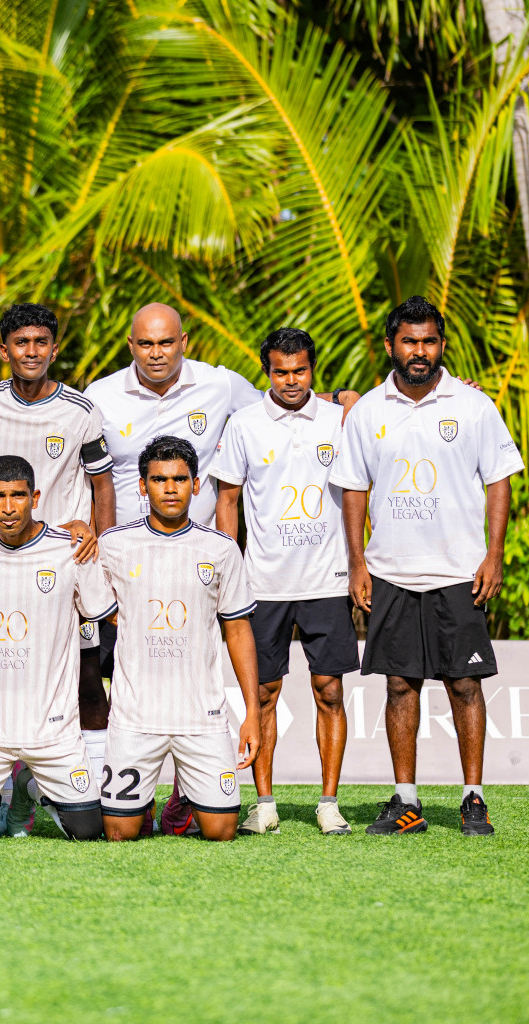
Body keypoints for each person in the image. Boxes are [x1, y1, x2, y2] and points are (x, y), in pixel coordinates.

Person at [83, 301, 355, 833]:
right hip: (122, 563)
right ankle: (97, 786)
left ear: (185, 342)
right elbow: (85, 470)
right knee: (109, 677)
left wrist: (342, 398)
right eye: (145, 344)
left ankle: (189, 793)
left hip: (198, 565)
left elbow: (286, 399)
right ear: (131, 346)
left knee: (194, 676)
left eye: (166, 343)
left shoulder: (223, 385)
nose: (157, 353)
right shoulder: (99, 396)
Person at [332, 296, 523, 837]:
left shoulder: (472, 406)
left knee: (465, 685)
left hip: (459, 571)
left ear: (442, 345)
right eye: (410, 341)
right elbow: (353, 490)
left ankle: (473, 798)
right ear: (391, 345)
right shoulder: (368, 410)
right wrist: (357, 564)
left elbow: (499, 479)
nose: (420, 351)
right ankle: (406, 800)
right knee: (399, 686)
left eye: (430, 341)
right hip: (391, 571)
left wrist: (494, 553)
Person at [0, 301, 115, 833]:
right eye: (20, 343)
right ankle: (8, 793)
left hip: (64, 565)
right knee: (2, 674)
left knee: (85, 681)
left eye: (40, 343)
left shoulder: (79, 410)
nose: (31, 352)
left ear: (54, 349)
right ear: (5, 349)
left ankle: (83, 789)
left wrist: (94, 535)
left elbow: (102, 484)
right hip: (3, 565)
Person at [211, 327, 357, 837]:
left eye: (299, 371)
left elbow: (362, 487)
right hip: (262, 584)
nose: (291, 381)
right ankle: (265, 804)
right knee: (264, 693)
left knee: (329, 691)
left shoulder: (342, 420)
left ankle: (329, 803)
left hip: (327, 580)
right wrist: (227, 568)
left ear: (312, 370)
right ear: (266, 371)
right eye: (280, 371)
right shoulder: (245, 423)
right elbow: (227, 501)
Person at [96, 435, 261, 842]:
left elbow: (238, 630)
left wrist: (252, 713)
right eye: (159, 480)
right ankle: (145, 802)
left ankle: (181, 798)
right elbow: (97, 611)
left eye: (179, 479)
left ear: (196, 484)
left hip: (200, 717)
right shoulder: (114, 546)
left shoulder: (221, 549)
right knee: (120, 833)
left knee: (221, 831)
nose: (170, 488)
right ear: (141, 485)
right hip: (135, 716)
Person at [0, 456, 115, 842]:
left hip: (54, 732)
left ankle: (31, 788)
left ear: (35, 496)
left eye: (19, 496)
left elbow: (102, 613)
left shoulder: (71, 548)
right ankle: (10, 792)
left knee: (89, 833)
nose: (8, 507)